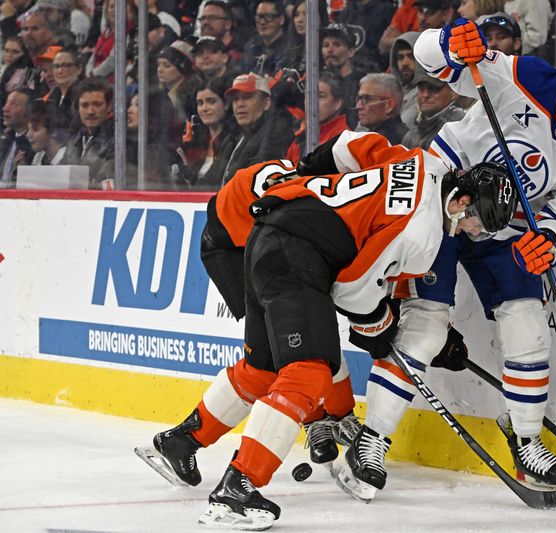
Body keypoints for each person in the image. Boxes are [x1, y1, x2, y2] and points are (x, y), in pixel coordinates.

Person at [142, 129, 517, 530]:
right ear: (462, 201)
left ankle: (179, 442)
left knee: (265, 367)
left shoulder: (423, 162)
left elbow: (349, 145)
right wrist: (381, 330)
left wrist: (310, 170)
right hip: (296, 256)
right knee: (309, 371)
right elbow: (354, 291)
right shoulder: (422, 234)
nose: (473, 232)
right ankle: (238, 489)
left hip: (268, 237)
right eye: (477, 222)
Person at [340, 20, 556, 499]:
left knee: (529, 324)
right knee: (426, 326)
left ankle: (526, 441)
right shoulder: (529, 77)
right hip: (443, 197)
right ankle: (372, 441)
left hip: (500, 225)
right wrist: (448, 43)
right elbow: (435, 64)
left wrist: (549, 242)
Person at [199, 73, 295, 189]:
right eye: (235, 99)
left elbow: (256, 180)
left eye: (247, 97)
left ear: (266, 103)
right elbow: (211, 178)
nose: (240, 104)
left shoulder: (276, 132)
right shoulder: (234, 136)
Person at [179, 77, 236, 188]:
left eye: (211, 102)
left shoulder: (234, 140)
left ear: (226, 104)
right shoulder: (196, 140)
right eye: (200, 103)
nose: (204, 108)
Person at [284, 71, 348, 165]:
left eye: (321, 96)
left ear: (337, 103)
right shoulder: (302, 136)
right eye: (308, 95)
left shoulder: (342, 139)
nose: (312, 102)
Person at [62, 76, 115, 188]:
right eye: (84, 105)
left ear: (109, 106)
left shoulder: (117, 140)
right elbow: (59, 176)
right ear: (78, 108)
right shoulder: (74, 140)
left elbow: (103, 180)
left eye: (97, 105)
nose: (90, 111)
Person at [401, 70, 465, 149]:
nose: (425, 95)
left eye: (433, 88)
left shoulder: (461, 126)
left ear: (454, 91)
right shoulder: (412, 132)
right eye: (421, 88)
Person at [354, 73, 408, 145]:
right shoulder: (406, 136)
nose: (358, 106)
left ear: (389, 105)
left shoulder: (383, 143)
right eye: (359, 99)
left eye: (367, 99)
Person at [156, 40, 198, 124]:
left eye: (167, 65)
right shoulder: (159, 93)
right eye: (158, 64)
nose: (159, 70)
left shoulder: (190, 98)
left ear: (182, 68)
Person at [243, 0, 289, 76]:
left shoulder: (291, 48)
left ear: (281, 19)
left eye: (268, 17)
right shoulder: (251, 47)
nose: (262, 22)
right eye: (258, 17)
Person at [0, 87, 34, 187]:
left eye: (13, 104)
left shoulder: (36, 145)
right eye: (6, 103)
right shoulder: (5, 140)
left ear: (30, 111)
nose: (5, 109)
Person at [388, 30, 421, 128]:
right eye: (400, 58)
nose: (405, 63)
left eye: (411, 56)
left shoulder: (428, 93)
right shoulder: (388, 90)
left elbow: (405, 126)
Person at [26, 93, 65, 165]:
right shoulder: (38, 158)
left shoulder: (67, 159)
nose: (28, 135)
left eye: (35, 129)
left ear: (53, 130)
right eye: (28, 129)